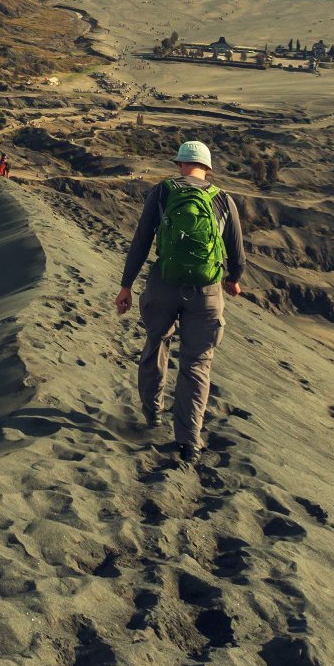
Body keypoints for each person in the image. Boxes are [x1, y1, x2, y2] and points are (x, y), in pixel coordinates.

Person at [111, 139, 249, 456]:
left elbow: (142, 241)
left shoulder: (162, 193)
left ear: (180, 165)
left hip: (163, 284)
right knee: (197, 364)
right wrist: (233, 280)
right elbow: (238, 254)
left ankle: (152, 411)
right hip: (206, 292)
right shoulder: (224, 200)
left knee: (156, 342)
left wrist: (126, 286)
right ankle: (188, 441)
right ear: (207, 168)